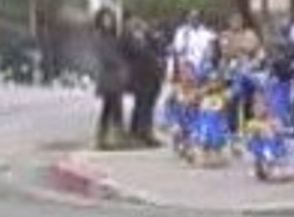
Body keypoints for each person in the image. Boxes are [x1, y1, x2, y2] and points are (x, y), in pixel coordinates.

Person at [122, 17, 165, 147]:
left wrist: (153, 38)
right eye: (136, 28)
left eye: (141, 28)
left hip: (153, 78)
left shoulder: (149, 40)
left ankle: (140, 132)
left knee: (147, 106)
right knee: (143, 106)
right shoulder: (129, 42)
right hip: (140, 78)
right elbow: (136, 57)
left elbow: (158, 51)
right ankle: (143, 134)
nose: (139, 31)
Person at [93, 8, 126, 150]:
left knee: (112, 107)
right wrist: (119, 64)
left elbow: (121, 53)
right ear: (100, 21)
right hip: (108, 76)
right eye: (105, 19)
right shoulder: (99, 37)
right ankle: (109, 137)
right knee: (112, 106)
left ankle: (109, 137)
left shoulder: (115, 37)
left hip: (116, 76)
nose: (108, 22)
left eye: (110, 19)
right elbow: (105, 56)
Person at [172, 11, 218, 78]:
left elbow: (212, 49)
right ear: (187, 18)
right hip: (187, 65)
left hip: (205, 65)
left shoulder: (207, 32)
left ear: (200, 18)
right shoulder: (181, 32)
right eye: (191, 17)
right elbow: (178, 50)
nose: (194, 19)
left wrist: (209, 58)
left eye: (196, 17)